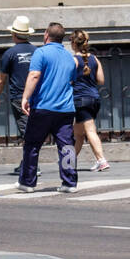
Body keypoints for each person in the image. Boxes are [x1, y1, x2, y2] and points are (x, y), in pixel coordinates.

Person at [18, 23, 78, 193]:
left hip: (43, 106)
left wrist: (25, 97)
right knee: (67, 146)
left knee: (32, 145)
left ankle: (28, 182)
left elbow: (34, 75)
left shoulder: (41, 52)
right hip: (65, 108)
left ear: (46, 35)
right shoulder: (70, 58)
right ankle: (69, 183)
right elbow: (71, 80)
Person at [0, 16, 40, 176]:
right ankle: (26, 162)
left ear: (14, 34)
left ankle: (31, 165)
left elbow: (0, 79)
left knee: (27, 131)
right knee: (32, 129)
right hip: (38, 97)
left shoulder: (10, 53)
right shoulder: (37, 52)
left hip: (19, 97)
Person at [70, 29, 109, 171]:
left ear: (74, 43)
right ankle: (68, 162)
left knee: (90, 131)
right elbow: (101, 80)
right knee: (78, 133)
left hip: (80, 100)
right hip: (94, 99)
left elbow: (67, 80)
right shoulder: (94, 59)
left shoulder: (73, 60)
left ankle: (101, 160)